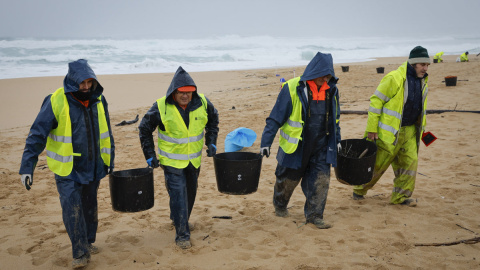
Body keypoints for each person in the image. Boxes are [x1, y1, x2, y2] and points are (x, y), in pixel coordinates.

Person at [19, 59, 115, 268]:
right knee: (72, 208)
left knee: (90, 208)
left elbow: (107, 132)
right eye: (82, 83)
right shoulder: (55, 101)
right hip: (67, 168)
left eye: (90, 82)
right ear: (73, 81)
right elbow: (37, 135)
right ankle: (80, 253)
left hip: (93, 166)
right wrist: (27, 166)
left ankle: (88, 242)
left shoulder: (99, 100)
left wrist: (110, 160)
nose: (86, 87)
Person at [138, 66, 219, 249]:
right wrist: (149, 155)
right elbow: (144, 129)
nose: (185, 96)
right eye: (181, 92)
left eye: (189, 92)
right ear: (173, 92)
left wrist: (211, 141)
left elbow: (213, 120)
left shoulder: (203, 103)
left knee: (190, 194)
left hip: (193, 161)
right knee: (178, 195)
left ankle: (178, 219)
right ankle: (182, 235)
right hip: (171, 162)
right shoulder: (160, 107)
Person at [260, 52, 341, 229]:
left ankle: (315, 216)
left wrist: (338, 141)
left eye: (328, 75)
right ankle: (280, 205)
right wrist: (266, 142)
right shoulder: (291, 88)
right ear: (313, 71)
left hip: (321, 146)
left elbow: (335, 120)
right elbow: (275, 118)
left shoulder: (332, 90)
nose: (325, 78)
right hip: (296, 147)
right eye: (322, 74)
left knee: (321, 181)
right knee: (287, 182)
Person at [352, 46, 431, 207]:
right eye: (422, 64)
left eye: (427, 65)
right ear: (413, 64)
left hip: (410, 131)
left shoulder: (423, 81)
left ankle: (400, 198)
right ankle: (359, 190)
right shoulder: (394, 78)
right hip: (389, 133)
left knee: (410, 164)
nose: (425, 68)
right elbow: (376, 101)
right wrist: (372, 128)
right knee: (378, 165)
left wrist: (422, 130)